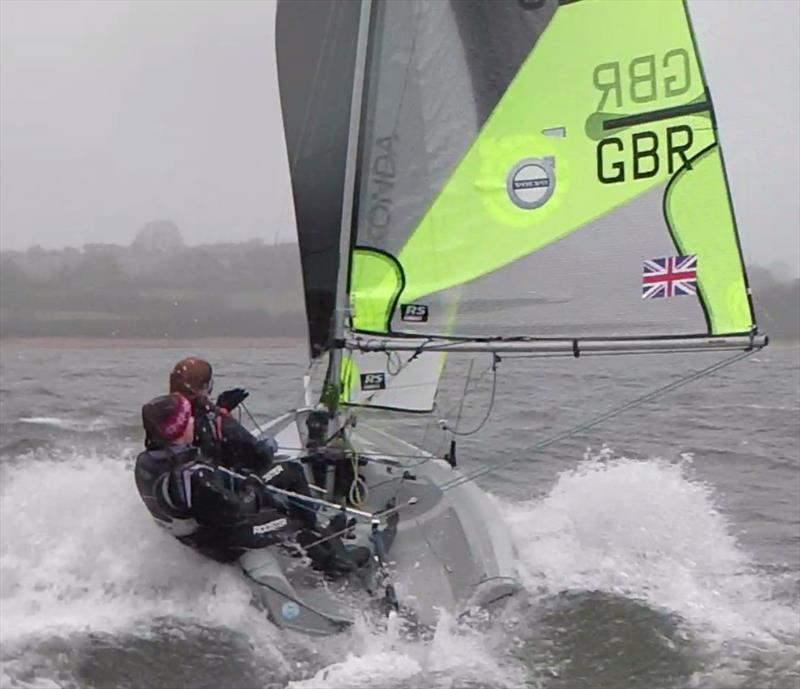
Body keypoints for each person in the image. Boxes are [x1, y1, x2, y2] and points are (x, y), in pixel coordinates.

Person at [136, 393, 371, 572]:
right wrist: (253, 486)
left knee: (288, 470)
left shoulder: (146, 461)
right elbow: (238, 511)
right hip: (220, 542)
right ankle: (334, 562)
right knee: (289, 518)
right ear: (176, 429)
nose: (192, 423)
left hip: (194, 532)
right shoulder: (195, 476)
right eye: (187, 420)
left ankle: (321, 532)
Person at [164, 357, 317, 528]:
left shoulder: (165, 416)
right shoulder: (213, 421)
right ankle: (314, 528)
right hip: (227, 497)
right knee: (292, 470)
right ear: (204, 387)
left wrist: (220, 409)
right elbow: (259, 457)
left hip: (192, 500)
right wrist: (269, 446)